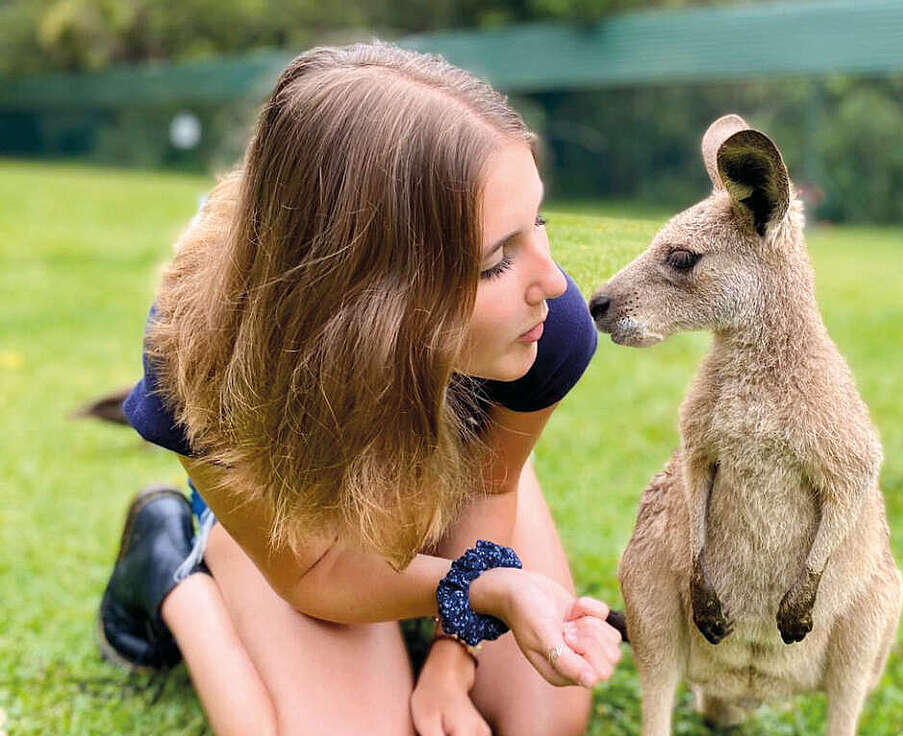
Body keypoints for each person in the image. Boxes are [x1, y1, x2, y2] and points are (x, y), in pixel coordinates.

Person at [96, 41, 623, 736]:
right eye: (497, 260)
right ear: (374, 294)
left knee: (545, 725)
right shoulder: (201, 351)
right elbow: (313, 575)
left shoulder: (543, 327)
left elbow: (492, 490)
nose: (554, 284)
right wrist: (475, 591)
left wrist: (453, 654)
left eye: (540, 224)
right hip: (299, 522)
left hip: (444, 480)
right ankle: (171, 573)